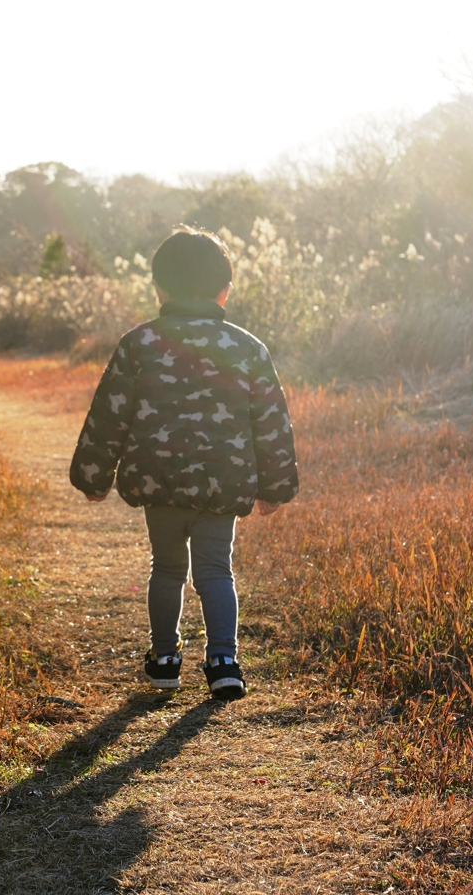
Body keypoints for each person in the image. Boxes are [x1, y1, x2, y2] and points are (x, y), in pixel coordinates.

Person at [70, 227, 298, 699]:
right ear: (225, 290)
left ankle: (165, 660)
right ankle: (223, 661)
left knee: (167, 568)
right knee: (216, 569)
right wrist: (275, 487)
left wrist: (94, 476)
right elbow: (270, 421)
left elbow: (110, 413)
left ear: (158, 288)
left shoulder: (139, 343)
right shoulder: (246, 347)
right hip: (224, 479)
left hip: (161, 479)